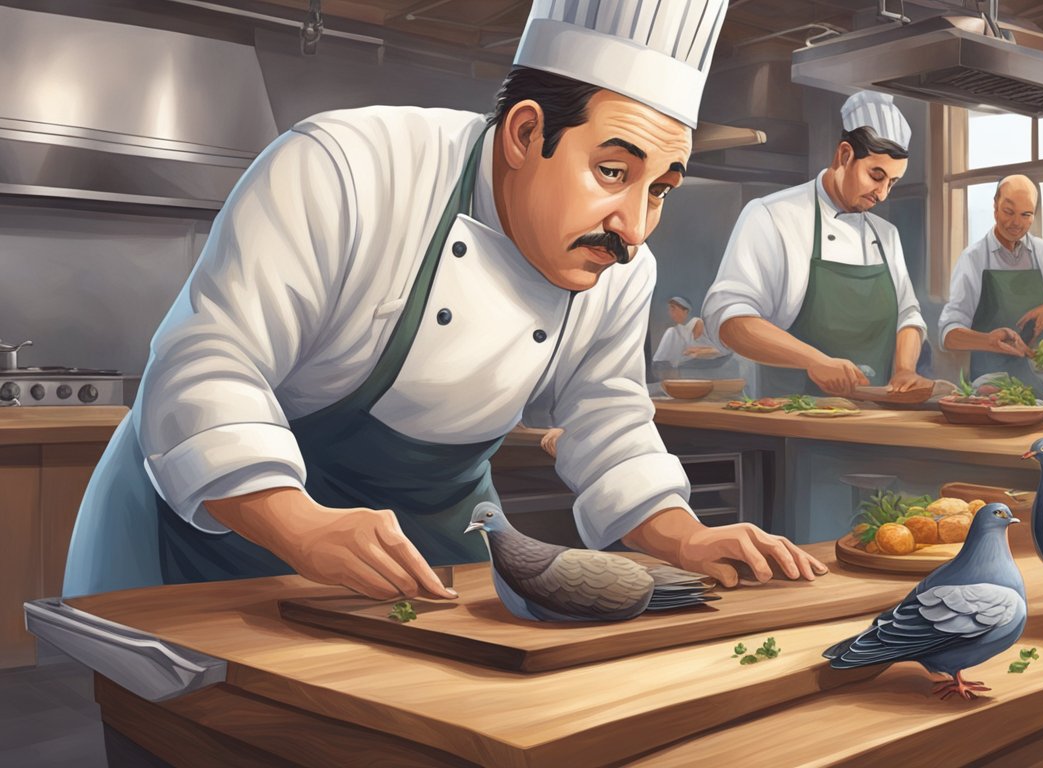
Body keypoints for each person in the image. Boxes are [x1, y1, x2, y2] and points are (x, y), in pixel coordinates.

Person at [64, 0, 828, 600]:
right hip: (212, 538)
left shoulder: (621, 266)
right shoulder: (347, 172)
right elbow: (207, 365)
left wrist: (682, 535)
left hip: (428, 545)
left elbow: (608, 417)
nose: (633, 226)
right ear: (527, 133)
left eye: (661, 189)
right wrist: (298, 526)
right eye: (613, 173)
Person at [703, 91, 929, 397]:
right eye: (876, 176)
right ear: (845, 155)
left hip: (878, 420)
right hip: (793, 419)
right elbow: (728, 319)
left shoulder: (886, 234)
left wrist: (904, 370)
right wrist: (814, 360)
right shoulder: (773, 215)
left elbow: (909, 314)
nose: (882, 193)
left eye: (892, 182)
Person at [938, 175, 1043, 398]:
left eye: (1026, 214)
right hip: (991, 382)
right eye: (1009, 212)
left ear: (1034, 215)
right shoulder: (973, 258)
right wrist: (989, 341)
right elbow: (948, 334)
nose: (1016, 223)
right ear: (995, 207)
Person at [652, 296, 726, 368]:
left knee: (671, 332)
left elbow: (698, 344)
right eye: (669, 310)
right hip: (685, 356)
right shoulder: (677, 328)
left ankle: (660, 361)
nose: (670, 313)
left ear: (685, 311)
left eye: (673, 309)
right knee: (671, 331)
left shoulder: (696, 322)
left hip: (704, 354)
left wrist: (691, 351)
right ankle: (660, 362)